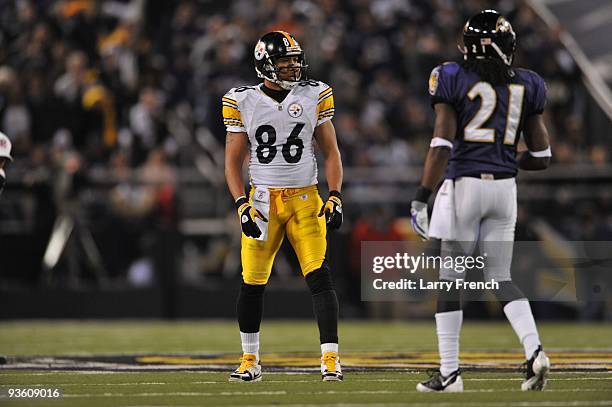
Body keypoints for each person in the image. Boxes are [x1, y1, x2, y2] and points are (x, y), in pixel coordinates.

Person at [410, 10, 551, 392]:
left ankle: (451, 373)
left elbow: (441, 143)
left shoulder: (451, 76)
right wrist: (505, 158)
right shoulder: (529, 83)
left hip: (464, 186)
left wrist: (422, 196)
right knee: (501, 278)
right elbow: (542, 157)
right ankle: (534, 349)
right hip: (505, 190)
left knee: (450, 280)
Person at [223, 31, 344, 382]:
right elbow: (232, 162)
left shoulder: (313, 94)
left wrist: (334, 194)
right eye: (285, 61)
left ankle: (331, 359)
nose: (293, 66)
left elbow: (332, 152)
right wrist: (241, 204)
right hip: (262, 200)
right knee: (252, 282)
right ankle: (250, 360)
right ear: (265, 64)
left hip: (306, 199)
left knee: (319, 277)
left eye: (295, 60)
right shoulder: (242, 100)